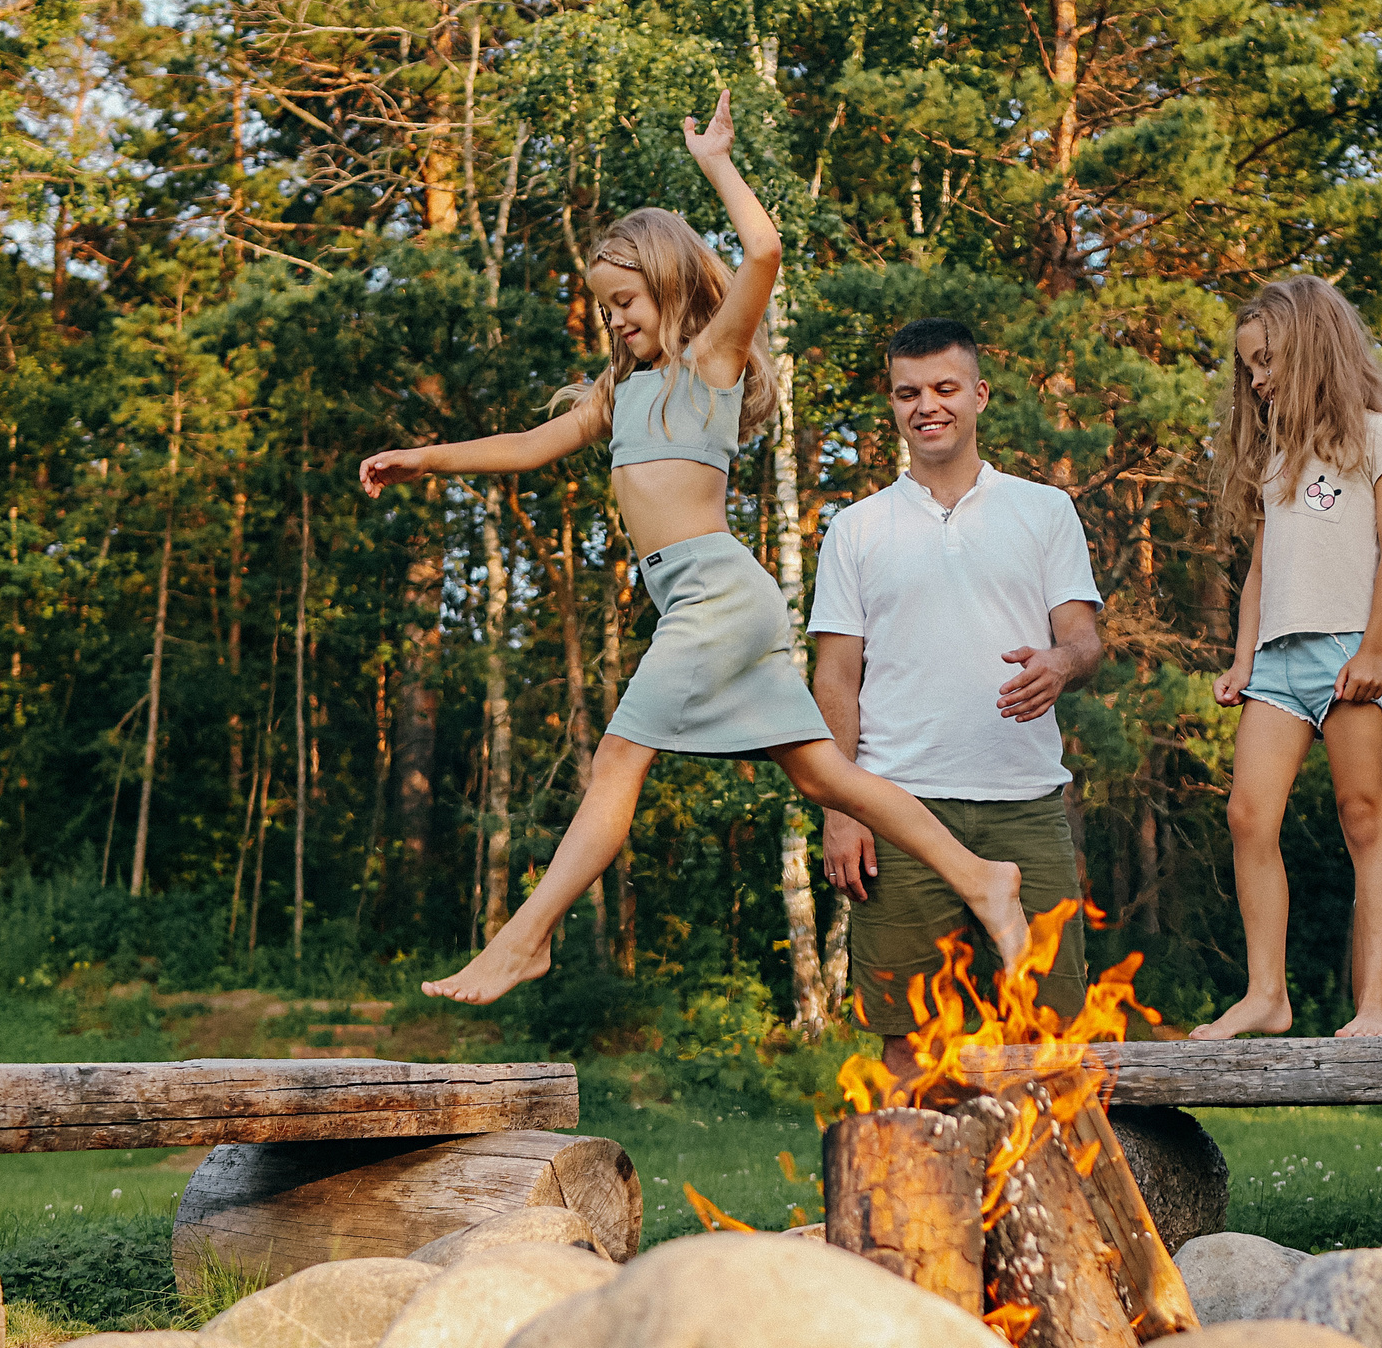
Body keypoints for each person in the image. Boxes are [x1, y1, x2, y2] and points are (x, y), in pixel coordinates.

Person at [357, 94, 1029, 1003]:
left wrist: (715, 162)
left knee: (616, 764)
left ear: (668, 285)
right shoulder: (617, 395)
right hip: (704, 600)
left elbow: (764, 252)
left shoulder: (709, 364)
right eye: (604, 309)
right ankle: (982, 877)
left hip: (714, 594)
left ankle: (524, 940)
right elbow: (524, 446)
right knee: (826, 774)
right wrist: (424, 459)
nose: (615, 321)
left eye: (625, 301)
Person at [809, 318, 1105, 1076]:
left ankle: (1042, 1195)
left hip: (1027, 805)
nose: (926, 405)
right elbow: (836, 678)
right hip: (897, 810)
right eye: (908, 392)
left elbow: (1085, 638)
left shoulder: (1044, 511)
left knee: (1049, 1035)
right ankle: (917, 1196)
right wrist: (840, 810)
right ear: (893, 404)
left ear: (978, 394)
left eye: (943, 388)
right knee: (906, 1039)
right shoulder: (856, 527)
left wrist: (1059, 664)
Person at [1197, 276, 1382, 1041]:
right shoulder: (1279, 457)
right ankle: (1267, 993)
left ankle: (1377, 1006)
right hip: (1278, 662)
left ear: (1312, 349)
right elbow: (1261, 569)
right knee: (1247, 813)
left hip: (1348, 653)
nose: (1256, 381)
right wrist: (1240, 658)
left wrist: (1371, 648)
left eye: (1265, 363)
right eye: (1249, 369)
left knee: (1363, 818)